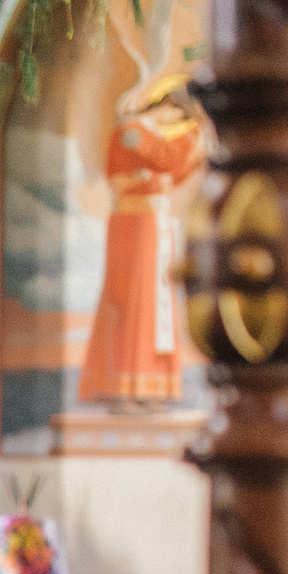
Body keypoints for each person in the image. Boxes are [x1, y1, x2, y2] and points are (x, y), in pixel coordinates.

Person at [79, 72, 206, 408]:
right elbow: (165, 159)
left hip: (151, 223)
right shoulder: (132, 131)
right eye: (177, 116)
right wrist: (195, 136)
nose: (176, 123)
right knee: (132, 300)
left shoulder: (146, 134)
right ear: (165, 105)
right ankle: (123, 388)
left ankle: (150, 387)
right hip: (134, 225)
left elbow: (174, 172)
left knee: (153, 303)